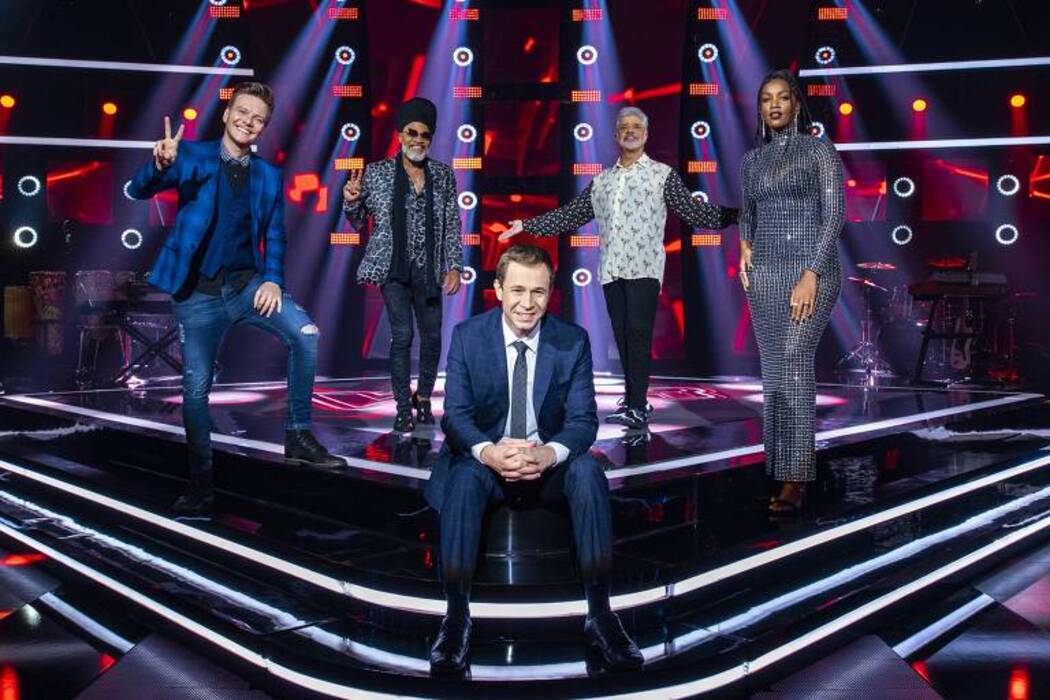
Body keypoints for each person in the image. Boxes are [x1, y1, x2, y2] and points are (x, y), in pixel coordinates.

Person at [127, 81, 346, 518]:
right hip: (197, 293)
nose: (249, 122)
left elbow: (276, 234)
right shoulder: (189, 155)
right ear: (227, 114)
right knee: (196, 389)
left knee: (305, 334)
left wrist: (273, 281)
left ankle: (298, 435)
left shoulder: (267, 174)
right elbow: (137, 190)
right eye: (242, 112)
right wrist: (158, 164)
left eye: (258, 118)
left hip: (247, 287)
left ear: (264, 127)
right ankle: (200, 483)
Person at [424, 245, 643, 674]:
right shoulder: (469, 336)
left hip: (547, 465)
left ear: (550, 293)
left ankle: (600, 614)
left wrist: (546, 454)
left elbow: (583, 422)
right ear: (498, 289)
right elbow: (456, 417)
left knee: (588, 472)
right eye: (518, 290)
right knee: (463, 478)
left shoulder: (571, 341)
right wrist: (489, 452)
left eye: (538, 292)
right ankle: (456, 617)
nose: (528, 303)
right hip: (490, 461)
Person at [500, 106, 737, 430]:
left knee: (638, 334)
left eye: (636, 126)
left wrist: (736, 215)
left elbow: (694, 212)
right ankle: (634, 397)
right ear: (616, 135)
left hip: (644, 269)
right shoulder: (602, 181)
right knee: (624, 337)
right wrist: (526, 224)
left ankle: (637, 406)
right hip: (612, 270)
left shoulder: (661, 175)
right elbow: (570, 215)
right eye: (624, 127)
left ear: (646, 134)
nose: (630, 131)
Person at [738, 69, 844, 515]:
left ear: (797, 104)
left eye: (782, 97)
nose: (775, 105)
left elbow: (834, 214)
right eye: (767, 99)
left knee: (796, 360)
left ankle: (797, 475)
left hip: (811, 271)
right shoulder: (752, 160)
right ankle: (777, 465)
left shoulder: (819, 150)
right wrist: (744, 246)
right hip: (765, 273)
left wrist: (812, 272)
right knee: (774, 372)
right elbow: (748, 212)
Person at [342, 97, 463, 433]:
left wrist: (454, 265)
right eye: (412, 132)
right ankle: (402, 407)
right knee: (402, 336)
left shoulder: (442, 175)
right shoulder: (376, 173)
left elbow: (452, 223)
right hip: (393, 270)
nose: (418, 140)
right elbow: (357, 221)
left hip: (430, 270)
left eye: (425, 135)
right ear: (399, 134)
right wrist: (351, 201)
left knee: (432, 338)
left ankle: (422, 397)